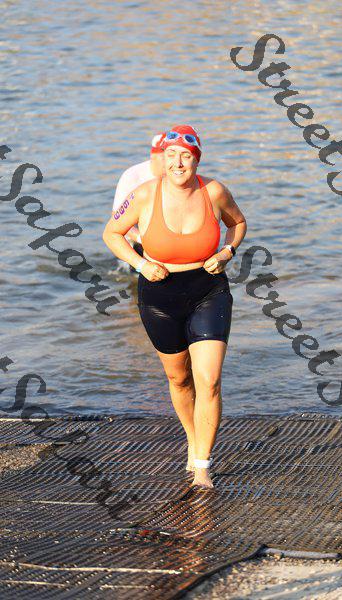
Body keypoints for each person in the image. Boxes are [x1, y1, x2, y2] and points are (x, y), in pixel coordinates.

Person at [103, 125, 247, 488]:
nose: (178, 163)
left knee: (209, 380)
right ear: (162, 159)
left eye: (185, 156)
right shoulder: (143, 194)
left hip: (208, 290)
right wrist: (140, 264)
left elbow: (238, 223)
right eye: (171, 156)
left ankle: (203, 466)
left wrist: (227, 252)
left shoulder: (214, 191)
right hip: (159, 294)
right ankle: (192, 439)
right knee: (179, 379)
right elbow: (111, 233)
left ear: (197, 159)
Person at [111, 132, 166, 270]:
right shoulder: (132, 176)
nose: (169, 163)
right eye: (164, 157)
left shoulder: (177, 175)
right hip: (136, 238)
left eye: (171, 156)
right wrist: (142, 239)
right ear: (153, 156)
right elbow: (117, 220)